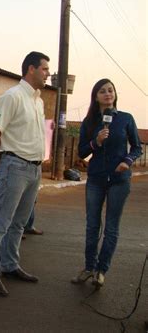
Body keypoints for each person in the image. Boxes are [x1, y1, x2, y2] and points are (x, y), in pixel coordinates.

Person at [0, 51, 50, 297]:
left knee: (20, 223)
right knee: (0, 222)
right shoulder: (12, 96)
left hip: (34, 168)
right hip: (15, 165)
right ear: (31, 69)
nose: (48, 73)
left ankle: (9, 265)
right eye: (44, 69)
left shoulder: (38, 101)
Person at [71, 78, 141, 288]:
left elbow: (137, 147)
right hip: (96, 179)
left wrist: (127, 162)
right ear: (96, 96)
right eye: (103, 91)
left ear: (115, 94)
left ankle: (101, 270)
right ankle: (88, 267)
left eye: (111, 90)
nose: (108, 94)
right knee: (92, 226)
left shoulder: (126, 119)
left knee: (111, 227)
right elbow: (82, 151)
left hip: (119, 180)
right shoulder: (90, 121)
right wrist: (96, 141)